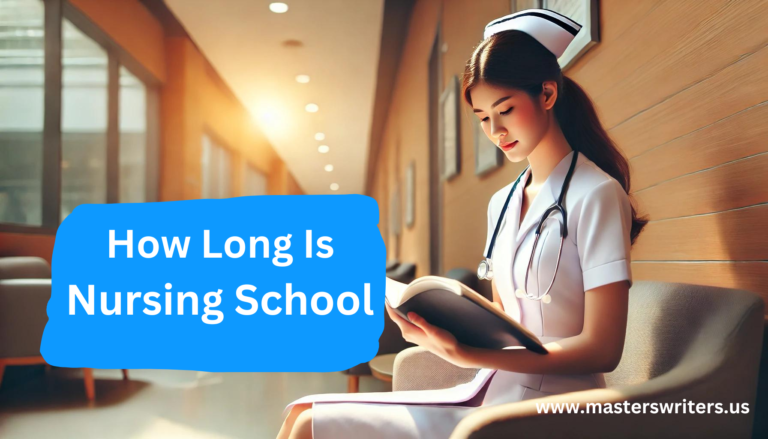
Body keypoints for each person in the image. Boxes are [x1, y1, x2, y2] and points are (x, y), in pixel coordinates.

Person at [277, 8, 648, 439]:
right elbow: (508, 331)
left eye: (506, 110)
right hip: (492, 390)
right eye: (483, 118)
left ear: (547, 95)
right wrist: (437, 338)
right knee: (301, 411)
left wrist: (472, 355)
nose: (496, 130)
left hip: (556, 407)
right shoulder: (502, 203)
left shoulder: (597, 194)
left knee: (308, 426)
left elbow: (603, 349)